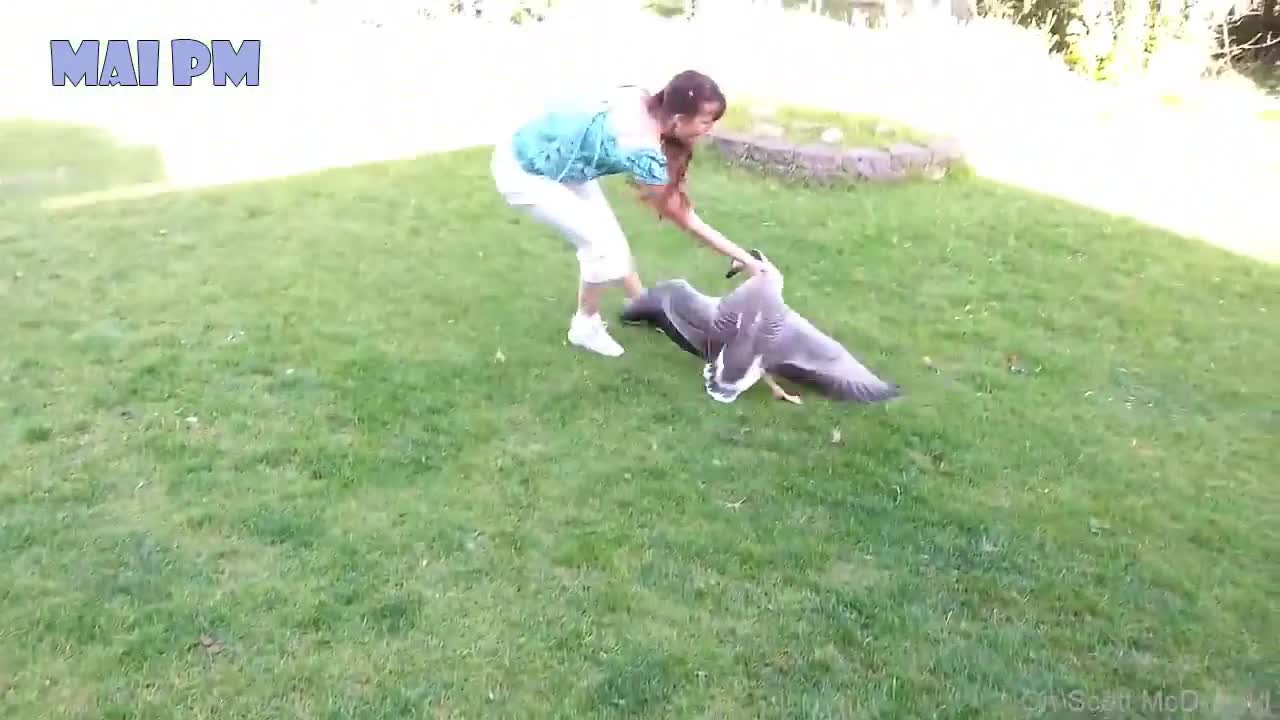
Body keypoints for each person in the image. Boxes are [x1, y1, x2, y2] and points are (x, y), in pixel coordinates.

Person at [490, 69, 770, 358]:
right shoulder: (641, 147)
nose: (709, 130)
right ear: (677, 120)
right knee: (602, 249)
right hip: (524, 172)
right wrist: (745, 259)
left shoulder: (639, 96)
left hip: (564, 164)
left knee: (613, 244)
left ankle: (644, 304)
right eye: (705, 122)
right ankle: (585, 327)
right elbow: (685, 219)